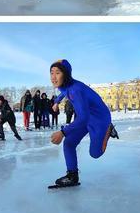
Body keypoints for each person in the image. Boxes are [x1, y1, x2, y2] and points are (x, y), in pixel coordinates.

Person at [50, 59, 119, 187]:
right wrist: (56, 101)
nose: (53, 77)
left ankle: (108, 130)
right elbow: (62, 92)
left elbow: (83, 118)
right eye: (51, 72)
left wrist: (63, 132)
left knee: (95, 154)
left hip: (100, 119)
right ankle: (72, 176)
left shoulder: (75, 90)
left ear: (66, 74)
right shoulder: (65, 86)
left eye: (57, 73)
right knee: (69, 143)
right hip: (86, 116)